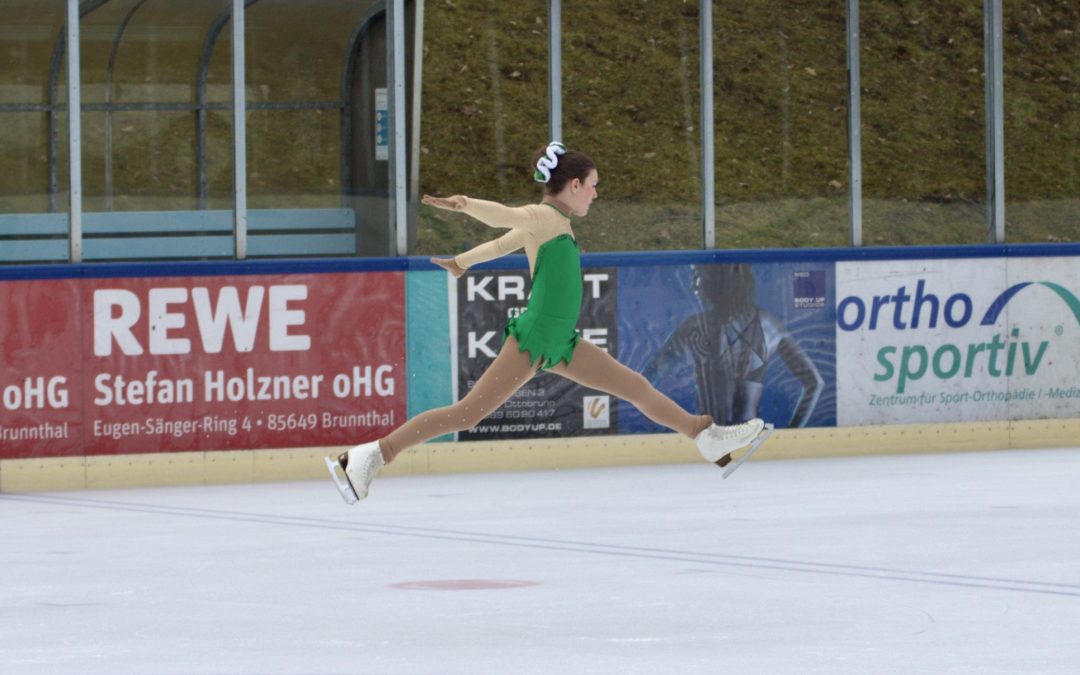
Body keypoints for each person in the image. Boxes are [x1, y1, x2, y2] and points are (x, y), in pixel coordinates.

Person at [326, 142, 770, 504]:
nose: (595, 194)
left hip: (561, 341)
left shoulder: (554, 223)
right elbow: (507, 217)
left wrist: (462, 262)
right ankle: (369, 457)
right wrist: (466, 205)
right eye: (593, 186)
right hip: (536, 337)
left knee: (635, 386)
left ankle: (705, 435)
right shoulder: (544, 217)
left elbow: (502, 244)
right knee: (467, 413)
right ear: (574, 185)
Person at [643, 263, 823, 427]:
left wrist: (672, 423)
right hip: (748, 439)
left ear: (717, 279)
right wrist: (793, 432)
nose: (694, 285)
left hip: (711, 437)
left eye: (698, 275)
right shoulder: (768, 325)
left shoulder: (695, 327)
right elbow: (814, 382)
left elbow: (648, 378)